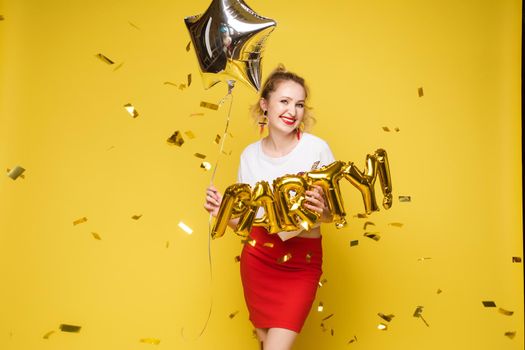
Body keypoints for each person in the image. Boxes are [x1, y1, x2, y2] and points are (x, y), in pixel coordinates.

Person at [204, 65, 335, 350]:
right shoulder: (249, 155)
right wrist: (222, 214)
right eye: (284, 102)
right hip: (258, 258)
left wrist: (323, 210)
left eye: (299, 104)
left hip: (302, 262)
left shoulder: (316, 149)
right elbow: (249, 223)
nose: (293, 111)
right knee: (265, 346)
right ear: (265, 105)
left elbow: (332, 214)